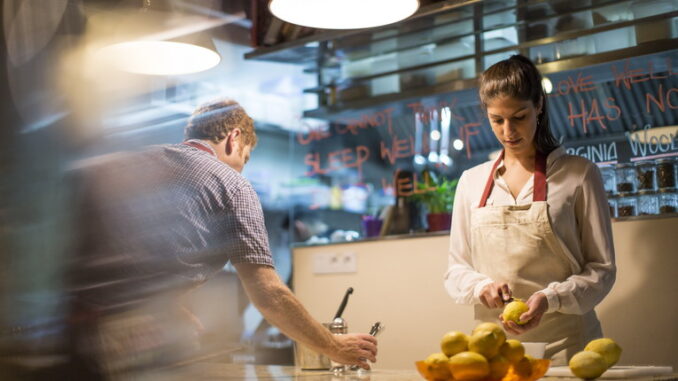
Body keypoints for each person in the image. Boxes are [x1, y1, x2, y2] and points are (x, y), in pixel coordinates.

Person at [67, 99, 377, 378]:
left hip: (60, 327)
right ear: (234, 139)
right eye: (247, 157)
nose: (243, 166)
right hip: (125, 340)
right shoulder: (231, 184)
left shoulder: (137, 162)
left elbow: (127, 250)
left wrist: (165, 303)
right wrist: (334, 346)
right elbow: (268, 293)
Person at [444, 55, 615, 364]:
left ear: (538, 106)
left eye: (519, 116)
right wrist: (482, 287)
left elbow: (601, 269)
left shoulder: (579, 174)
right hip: (492, 349)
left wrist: (549, 299)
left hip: (568, 347)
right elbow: (457, 269)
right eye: (497, 120)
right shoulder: (471, 181)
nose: (508, 131)